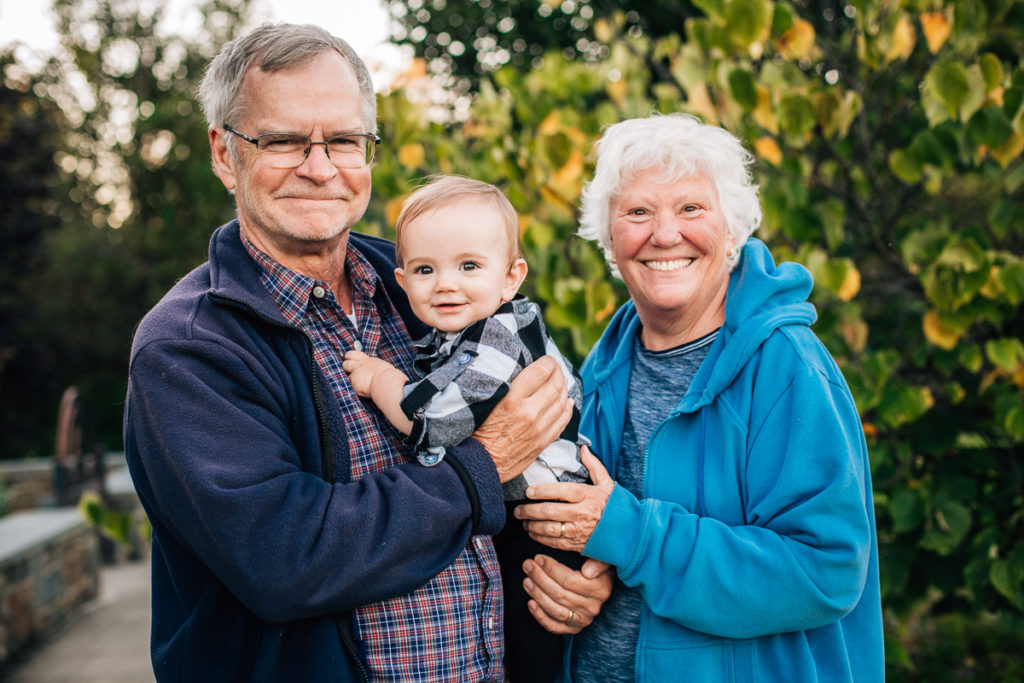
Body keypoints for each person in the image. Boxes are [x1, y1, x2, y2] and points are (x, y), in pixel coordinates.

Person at [122, 23, 611, 683]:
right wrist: (484, 461)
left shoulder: (422, 283)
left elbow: (540, 449)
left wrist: (577, 568)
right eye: (283, 140)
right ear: (224, 153)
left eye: (344, 140)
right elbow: (286, 558)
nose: (319, 167)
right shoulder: (188, 348)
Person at [514, 113, 885, 682]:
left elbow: (825, 571)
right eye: (638, 212)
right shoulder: (601, 367)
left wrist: (634, 537)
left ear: (732, 232)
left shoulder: (786, 366)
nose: (665, 234)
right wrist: (576, 584)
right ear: (610, 239)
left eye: (691, 208)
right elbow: (596, 534)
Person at [343, 174, 589, 682]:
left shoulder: (500, 338)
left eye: (469, 266)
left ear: (511, 277)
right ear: (403, 281)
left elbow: (435, 420)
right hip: (520, 513)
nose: (446, 283)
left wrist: (379, 377)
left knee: (531, 652)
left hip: (545, 525)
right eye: (425, 269)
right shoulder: (461, 333)